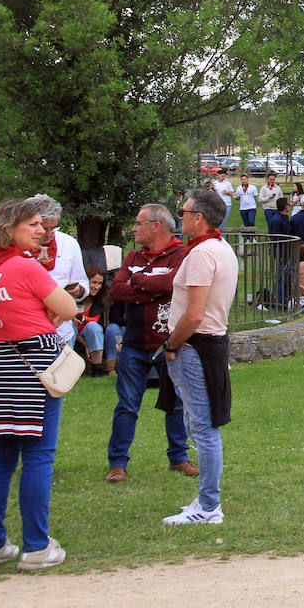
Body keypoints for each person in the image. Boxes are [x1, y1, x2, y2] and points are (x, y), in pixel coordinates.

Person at [0, 198, 80, 571]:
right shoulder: (24, 266)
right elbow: (69, 309)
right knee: (38, 456)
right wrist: (47, 311)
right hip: (35, 365)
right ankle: (36, 547)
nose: (41, 230)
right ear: (11, 228)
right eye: (33, 224)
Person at [159, 187, 238, 525]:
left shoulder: (203, 254)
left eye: (184, 212)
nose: (180, 218)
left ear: (199, 218)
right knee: (198, 424)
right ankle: (205, 501)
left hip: (196, 346)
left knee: (203, 428)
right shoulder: (219, 248)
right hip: (207, 344)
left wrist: (172, 345)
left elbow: (194, 314)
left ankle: (208, 506)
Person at [105, 203, 196, 485]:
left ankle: (179, 458)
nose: (133, 228)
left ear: (156, 225)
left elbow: (174, 285)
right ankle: (117, 464)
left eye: (138, 223)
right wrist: (151, 288)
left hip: (169, 344)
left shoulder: (181, 255)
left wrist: (139, 282)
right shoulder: (132, 255)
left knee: (176, 404)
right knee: (127, 405)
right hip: (133, 344)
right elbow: (117, 290)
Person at [27, 195, 88, 349]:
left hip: (63, 333)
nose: (49, 233)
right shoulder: (18, 247)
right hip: (28, 332)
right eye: (44, 228)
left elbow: (83, 283)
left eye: (53, 228)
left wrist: (78, 290)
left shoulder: (69, 243)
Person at [75, 265, 112, 376]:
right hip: (74, 333)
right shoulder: (75, 298)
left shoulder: (100, 302)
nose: (97, 287)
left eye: (100, 284)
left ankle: (97, 368)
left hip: (91, 334)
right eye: (94, 282)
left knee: (94, 327)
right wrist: (84, 344)